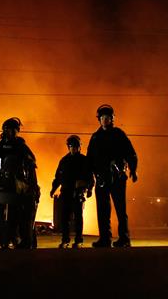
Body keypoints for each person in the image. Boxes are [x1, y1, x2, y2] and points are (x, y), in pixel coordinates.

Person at [87, 104, 138, 248]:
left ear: (112, 119)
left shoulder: (119, 134)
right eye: (102, 118)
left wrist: (133, 170)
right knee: (102, 211)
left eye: (108, 117)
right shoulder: (95, 138)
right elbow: (89, 159)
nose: (105, 120)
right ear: (99, 119)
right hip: (101, 179)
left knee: (121, 210)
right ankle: (104, 239)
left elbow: (130, 153)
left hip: (117, 178)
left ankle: (124, 238)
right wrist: (89, 179)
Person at [0, 117, 40, 249]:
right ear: (4, 130)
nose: (12, 132)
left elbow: (32, 163)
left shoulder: (21, 146)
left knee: (13, 215)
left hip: (15, 186)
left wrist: (30, 183)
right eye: (10, 129)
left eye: (15, 130)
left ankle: (12, 239)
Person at [50, 135, 95, 248]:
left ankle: (78, 240)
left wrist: (89, 189)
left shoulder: (84, 160)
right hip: (65, 192)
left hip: (78, 193)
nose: (74, 148)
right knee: (64, 218)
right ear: (68, 147)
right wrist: (53, 189)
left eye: (76, 146)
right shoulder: (64, 161)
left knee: (78, 217)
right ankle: (65, 240)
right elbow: (58, 177)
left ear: (80, 147)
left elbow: (90, 177)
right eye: (71, 146)